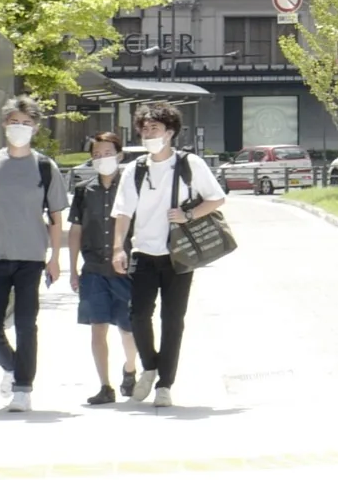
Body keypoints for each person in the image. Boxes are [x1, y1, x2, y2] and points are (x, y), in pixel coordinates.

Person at [110, 103, 226, 408]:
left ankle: (164, 384)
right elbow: (123, 211)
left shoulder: (190, 164)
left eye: (155, 129)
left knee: (173, 319)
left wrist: (189, 215)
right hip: (143, 252)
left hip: (179, 254)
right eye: (144, 128)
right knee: (137, 314)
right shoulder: (135, 170)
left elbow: (216, 198)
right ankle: (150, 366)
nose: (148, 134)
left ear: (170, 132)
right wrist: (118, 247)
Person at [0, 95, 65, 414]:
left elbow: (56, 217)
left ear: (35, 128)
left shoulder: (45, 167)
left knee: (25, 323)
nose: (20, 127)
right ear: (5, 124)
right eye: (14, 121)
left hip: (31, 256)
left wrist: (55, 257)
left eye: (27, 123)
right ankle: (12, 366)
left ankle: (23, 388)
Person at [66, 130, 138, 406]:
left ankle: (130, 368)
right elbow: (75, 231)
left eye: (108, 153)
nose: (102, 158)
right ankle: (105, 385)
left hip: (126, 269)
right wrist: (72, 269)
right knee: (98, 327)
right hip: (94, 269)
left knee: (128, 329)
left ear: (119, 155)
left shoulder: (131, 188)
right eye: (96, 155)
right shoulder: (85, 191)